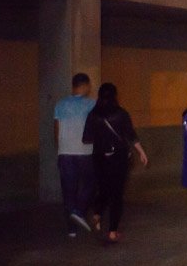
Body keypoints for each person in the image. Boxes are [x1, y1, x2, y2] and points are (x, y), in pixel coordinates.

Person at [82, 83, 148, 242]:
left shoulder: (93, 114)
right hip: (118, 157)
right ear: (114, 95)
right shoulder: (121, 113)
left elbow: (86, 139)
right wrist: (141, 152)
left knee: (103, 188)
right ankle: (112, 231)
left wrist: (101, 137)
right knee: (116, 194)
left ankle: (97, 213)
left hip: (99, 157)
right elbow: (130, 135)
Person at [54, 73, 96, 237]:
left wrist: (60, 148)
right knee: (90, 184)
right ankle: (79, 211)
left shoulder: (60, 104)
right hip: (85, 152)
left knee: (68, 190)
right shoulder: (91, 104)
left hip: (65, 152)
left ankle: (71, 229)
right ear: (85, 86)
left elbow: (56, 130)